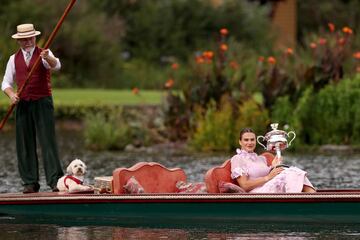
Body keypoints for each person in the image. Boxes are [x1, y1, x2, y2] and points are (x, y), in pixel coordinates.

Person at [1, 23, 63, 193]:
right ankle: (30, 182)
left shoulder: (44, 53)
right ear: (19, 41)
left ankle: (55, 181)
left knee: (47, 142)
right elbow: (6, 83)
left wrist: (48, 58)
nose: (27, 41)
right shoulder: (13, 59)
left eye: (30, 38)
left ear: (34, 37)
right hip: (23, 104)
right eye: (24, 39)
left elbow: (56, 66)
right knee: (24, 143)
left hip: (42, 102)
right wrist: (11, 95)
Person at [231, 128, 315, 193]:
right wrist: (267, 177)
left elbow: (269, 175)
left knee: (290, 170)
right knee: (290, 172)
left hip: (268, 187)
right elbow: (244, 186)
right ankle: (305, 199)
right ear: (240, 142)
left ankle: (312, 196)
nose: (250, 143)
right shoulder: (237, 159)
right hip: (256, 193)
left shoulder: (261, 159)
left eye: (252, 140)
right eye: (246, 140)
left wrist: (273, 167)